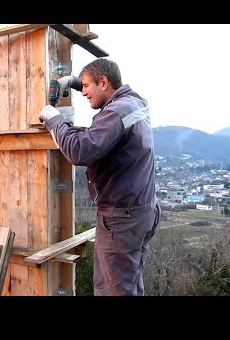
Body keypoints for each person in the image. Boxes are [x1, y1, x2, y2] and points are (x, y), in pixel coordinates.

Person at [38, 58, 161, 296]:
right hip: (142, 212)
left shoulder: (115, 113)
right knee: (129, 284)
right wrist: (73, 81)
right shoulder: (134, 103)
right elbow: (107, 132)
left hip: (120, 220)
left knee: (112, 290)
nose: (83, 92)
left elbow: (79, 151)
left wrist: (54, 119)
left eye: (86, 86)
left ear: (103, 82)